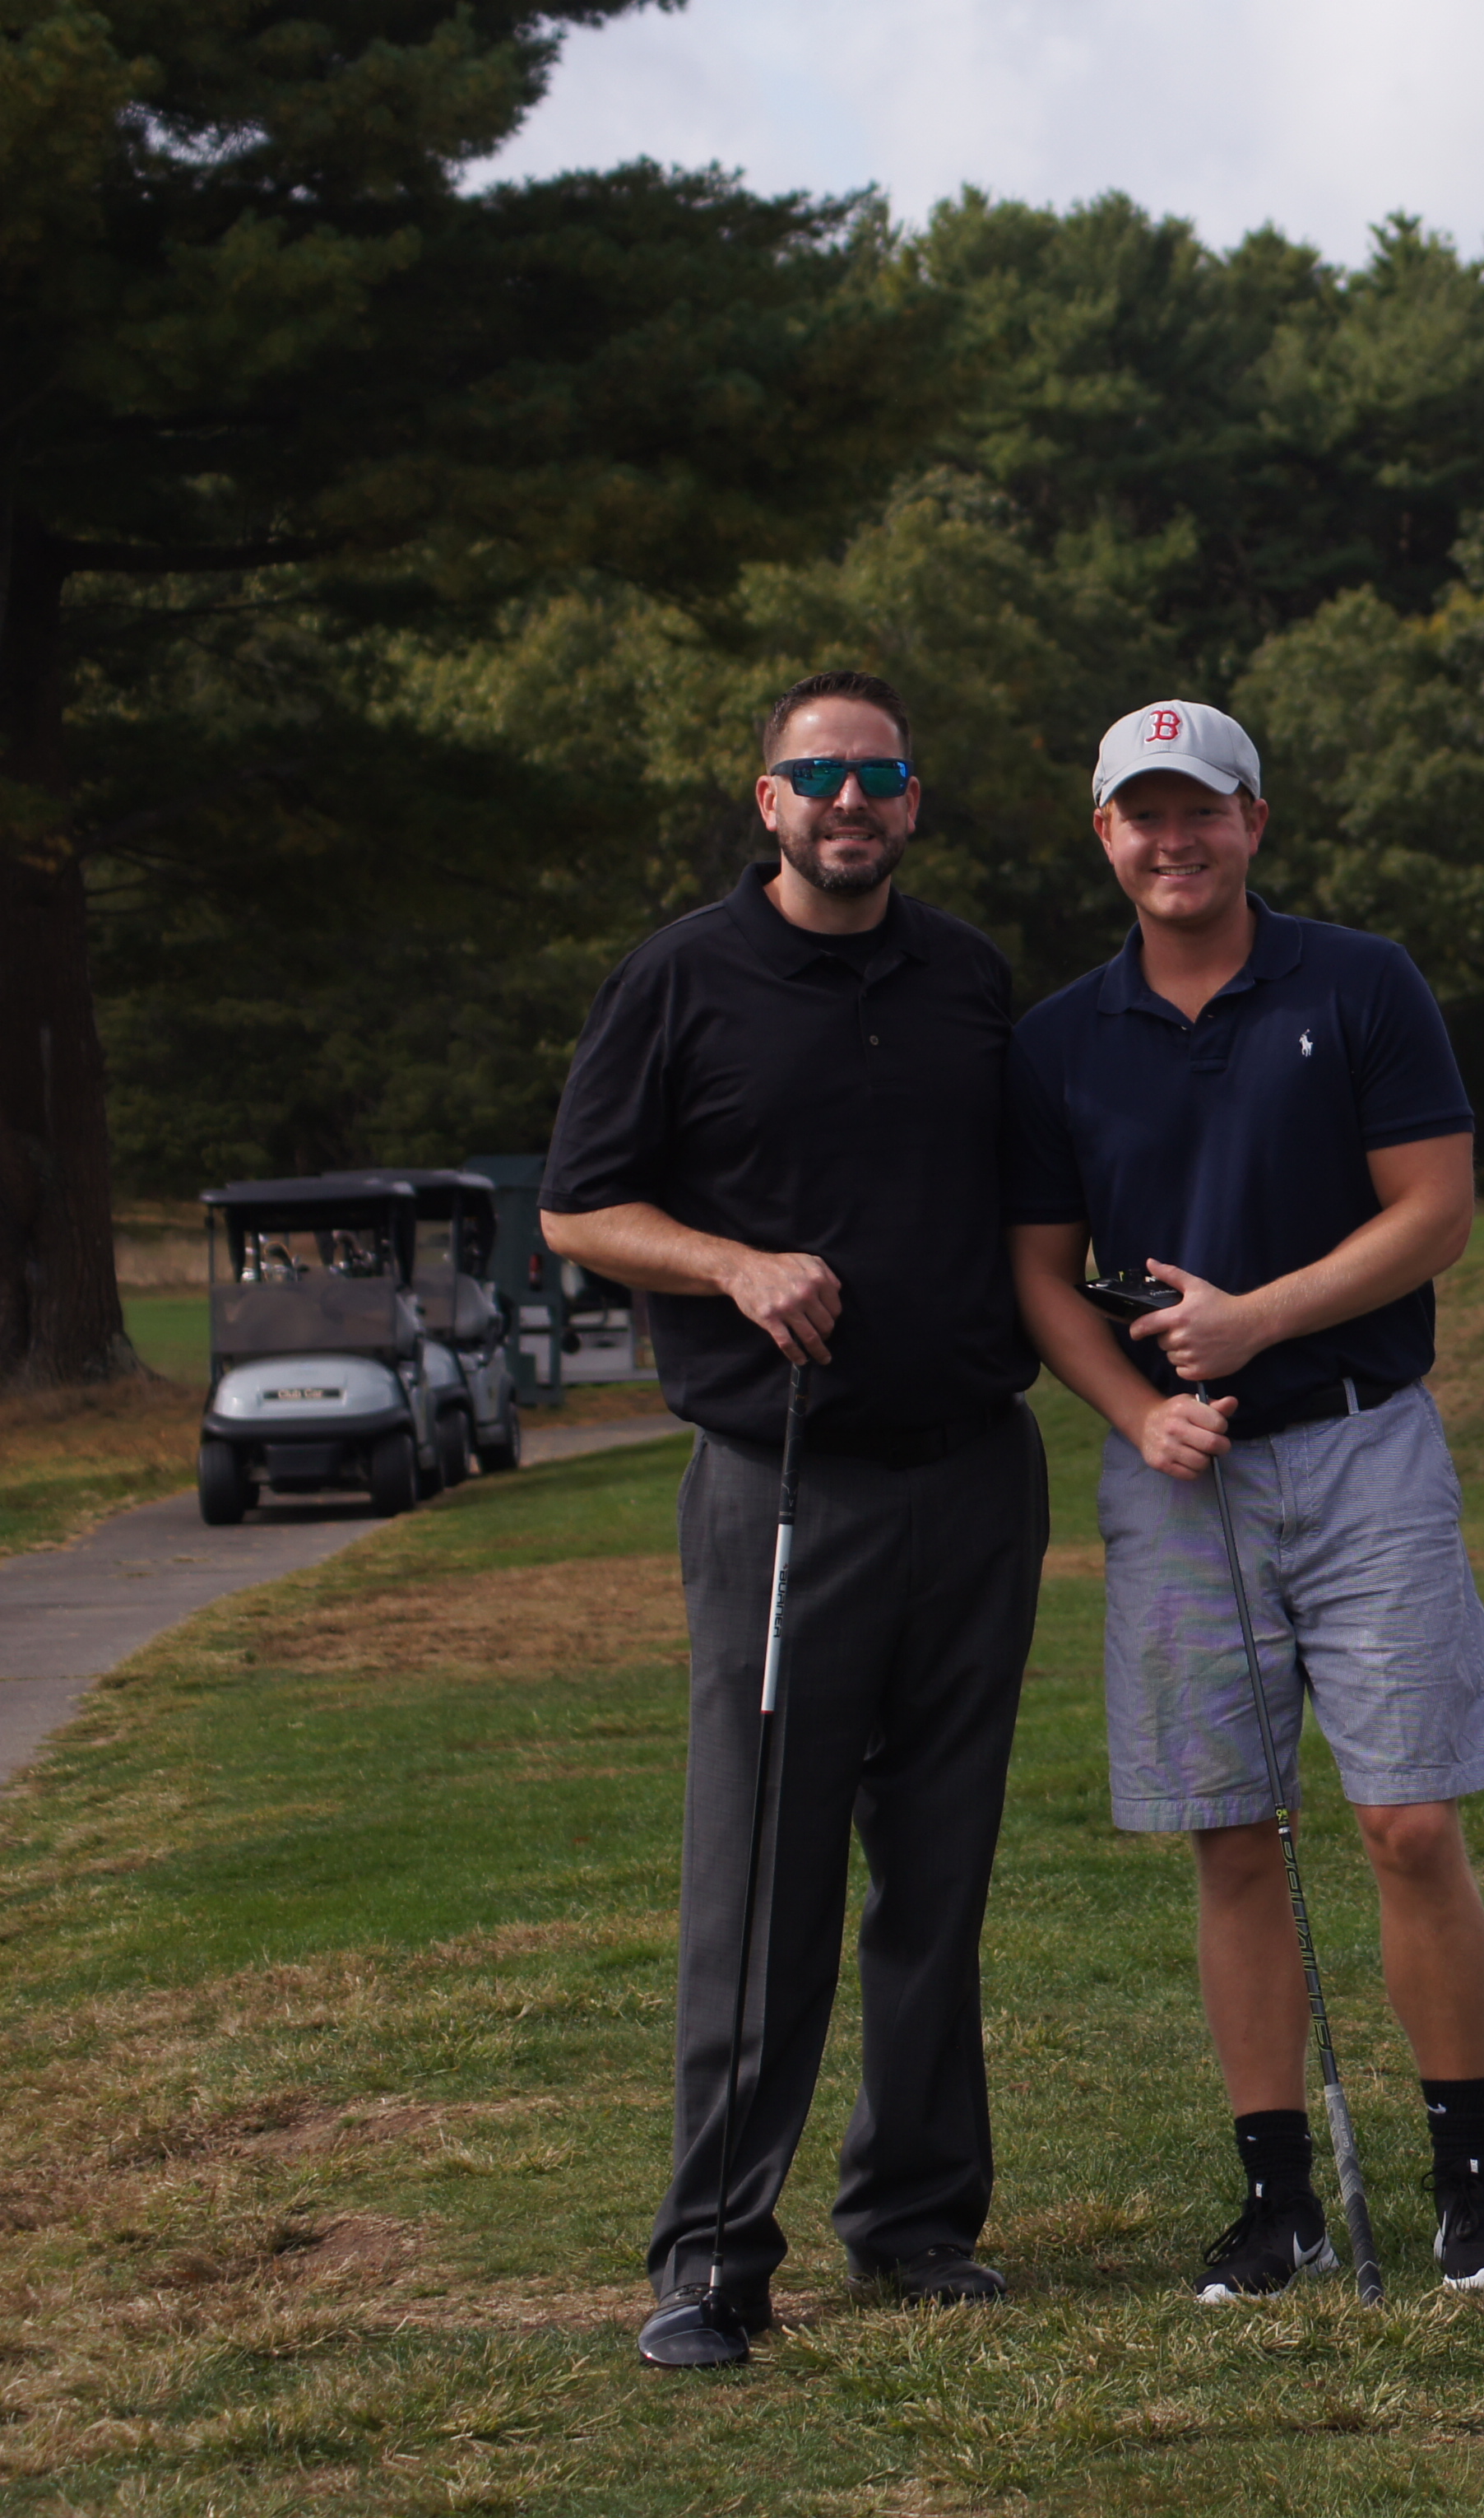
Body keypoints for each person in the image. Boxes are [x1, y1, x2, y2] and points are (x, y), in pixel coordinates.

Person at [543, 671, 1048, 2370]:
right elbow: (579, 1209)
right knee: (763, 1881)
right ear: (767, 799)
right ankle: (711, 2254)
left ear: (912, 800)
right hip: (784, 1486)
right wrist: (732, 1265)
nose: (851, 799)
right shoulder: (682, 977)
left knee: (939, 1872)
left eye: (879, 774)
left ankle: (915, 2218)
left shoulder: (968, 976)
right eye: (819, 773)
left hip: (975, 1477)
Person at [1005, 700, 1484, 2299]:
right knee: (1231, 1836)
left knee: (1408, 1819)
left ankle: (1469, 2182)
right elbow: (1037, 1274)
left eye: (1203, 809)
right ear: (1104, 835)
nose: (1174, 840)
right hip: (1178, 1476)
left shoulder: (1358, 982)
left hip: (1362, 1445)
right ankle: (1276, 2199)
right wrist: (1138, 1410)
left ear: (1254, 820)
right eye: (1143, 814)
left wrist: (1258, 1320)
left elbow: (1433, 1209)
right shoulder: (1057, 1038)